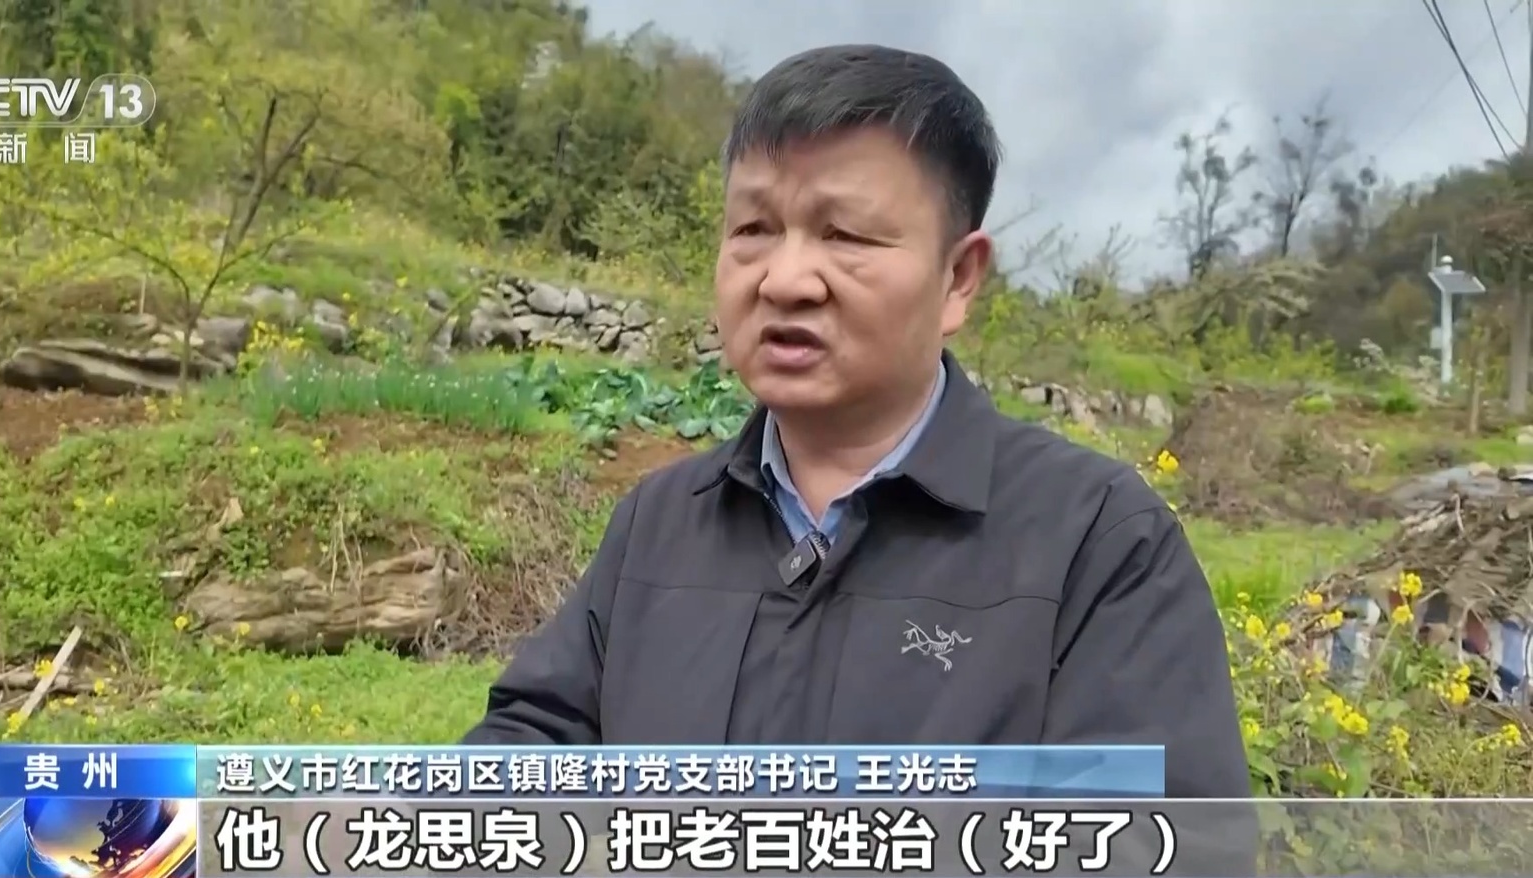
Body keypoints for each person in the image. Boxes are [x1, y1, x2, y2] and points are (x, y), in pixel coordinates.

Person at [462, 44, 1250, 804]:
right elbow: (533, 745)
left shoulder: (1098, 542)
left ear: (958, 277)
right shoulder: (659, 523)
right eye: (753, 230)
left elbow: (1163, 840)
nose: (785, 280)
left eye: (843, 235)